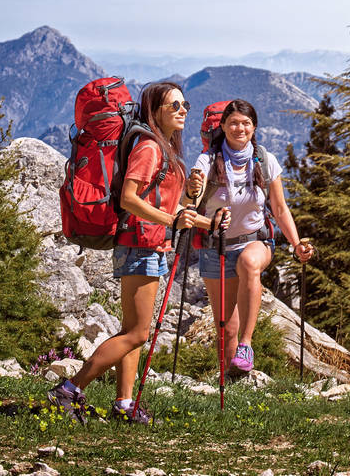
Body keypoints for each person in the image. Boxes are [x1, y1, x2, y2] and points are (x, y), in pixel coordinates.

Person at [48, 82, 198, 424]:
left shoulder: (163, 147)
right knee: (137, 333)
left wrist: (191, 197)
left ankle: (125, 405)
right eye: (174, 106)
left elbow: (172, 208)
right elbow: (130, 199)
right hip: (140, 244)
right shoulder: (148, 146)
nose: (183, 110)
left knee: (132, 330)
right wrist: (173, 218)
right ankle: (69, 389)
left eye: (184, 103)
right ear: (154, 110)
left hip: (148, 243)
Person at [184, 98, 313, 375]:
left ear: (254, 127)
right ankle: (231, 383)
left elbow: (279, 208)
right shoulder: (207, 161)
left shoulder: (266, 161)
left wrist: (296, 243)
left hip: (256, 241)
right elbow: (189, 206)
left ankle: (247, 344)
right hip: (215, 248)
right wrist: (192, 189)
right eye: (233, 123)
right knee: (226, 327)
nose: (239, 128)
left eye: (245, 123)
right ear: (222, 126)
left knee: (248, 263)